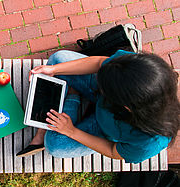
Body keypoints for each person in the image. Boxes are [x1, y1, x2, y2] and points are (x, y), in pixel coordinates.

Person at [16, 50, 180, 164]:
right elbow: (100, 63)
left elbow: (112, 151)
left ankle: (72, 95)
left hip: (103, 130)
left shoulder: (150, 142)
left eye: (104, 89)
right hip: (111, 97)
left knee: (55, 145)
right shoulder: (136, 69)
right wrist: (53, 69)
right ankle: (72, 93)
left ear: (126, 107)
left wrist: (71, 131)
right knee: (58, 59)